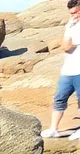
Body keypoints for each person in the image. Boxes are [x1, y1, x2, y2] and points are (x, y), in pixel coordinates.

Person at [43, 0, 80, 138]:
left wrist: (65, 44)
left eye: (76, 12)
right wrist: (65, 42)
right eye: (71, 13)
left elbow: (66, 46)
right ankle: (54, 128)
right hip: (68, 69)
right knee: (59, 98)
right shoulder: (71, 25)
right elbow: (66, 44)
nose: (74, 15)